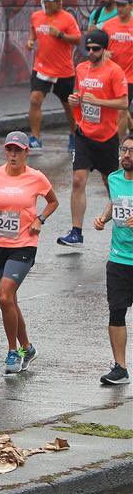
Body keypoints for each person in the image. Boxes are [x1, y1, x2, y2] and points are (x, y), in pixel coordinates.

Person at [0, 132, 58, 374]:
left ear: (27, 152)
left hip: (24, 244)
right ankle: (28, 347)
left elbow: (53, 201)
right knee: (10, 301)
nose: (13, 154)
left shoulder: (36, 177)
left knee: (4, 297)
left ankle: (12, 351)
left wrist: (40, 219)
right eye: (9, 150)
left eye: (18, 150)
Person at [58, 29, 130, 247]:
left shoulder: (114, 72)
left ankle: (121, 226)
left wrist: (98, 101)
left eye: (95, 48)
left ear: (104, 49)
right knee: (78, 181)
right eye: (87, 48)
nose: (90, 52)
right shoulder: (81, 69)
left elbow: (123, 103)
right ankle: (76, 233)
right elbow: (79, 95)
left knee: (113, 187)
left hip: (107, 138)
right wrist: (74, 100)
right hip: (84, 134)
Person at [93, 135, 133, 385]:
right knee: (116, 313)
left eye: (131, 151)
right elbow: (115, 203)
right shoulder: (114, 178)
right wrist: (103, 218)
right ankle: (120, 368)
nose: (126, 155)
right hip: (119, 259)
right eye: (124, 150)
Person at [27, 0, 82, 153]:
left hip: (63, 71)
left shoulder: (67, 18)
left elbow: (78, 40)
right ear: (46, 2)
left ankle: (74, 136)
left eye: (60, 0)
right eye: (55, 0)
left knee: (68, 106)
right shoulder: (36, 16)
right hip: (41, 68)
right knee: (35, 99)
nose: (59, 3)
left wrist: (61, 35)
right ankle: (35, 138)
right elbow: (33, 31)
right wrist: (30, 41)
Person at [101, 0, 133, 133]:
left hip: (130, 76)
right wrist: (104, 53)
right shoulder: (108, 26)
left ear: (131, 6)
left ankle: (120, 147)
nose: (120, 9)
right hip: (113, 76)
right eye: (118, 5)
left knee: (121, 110)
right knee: (122, 110)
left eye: (123, 6)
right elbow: (97, 48)